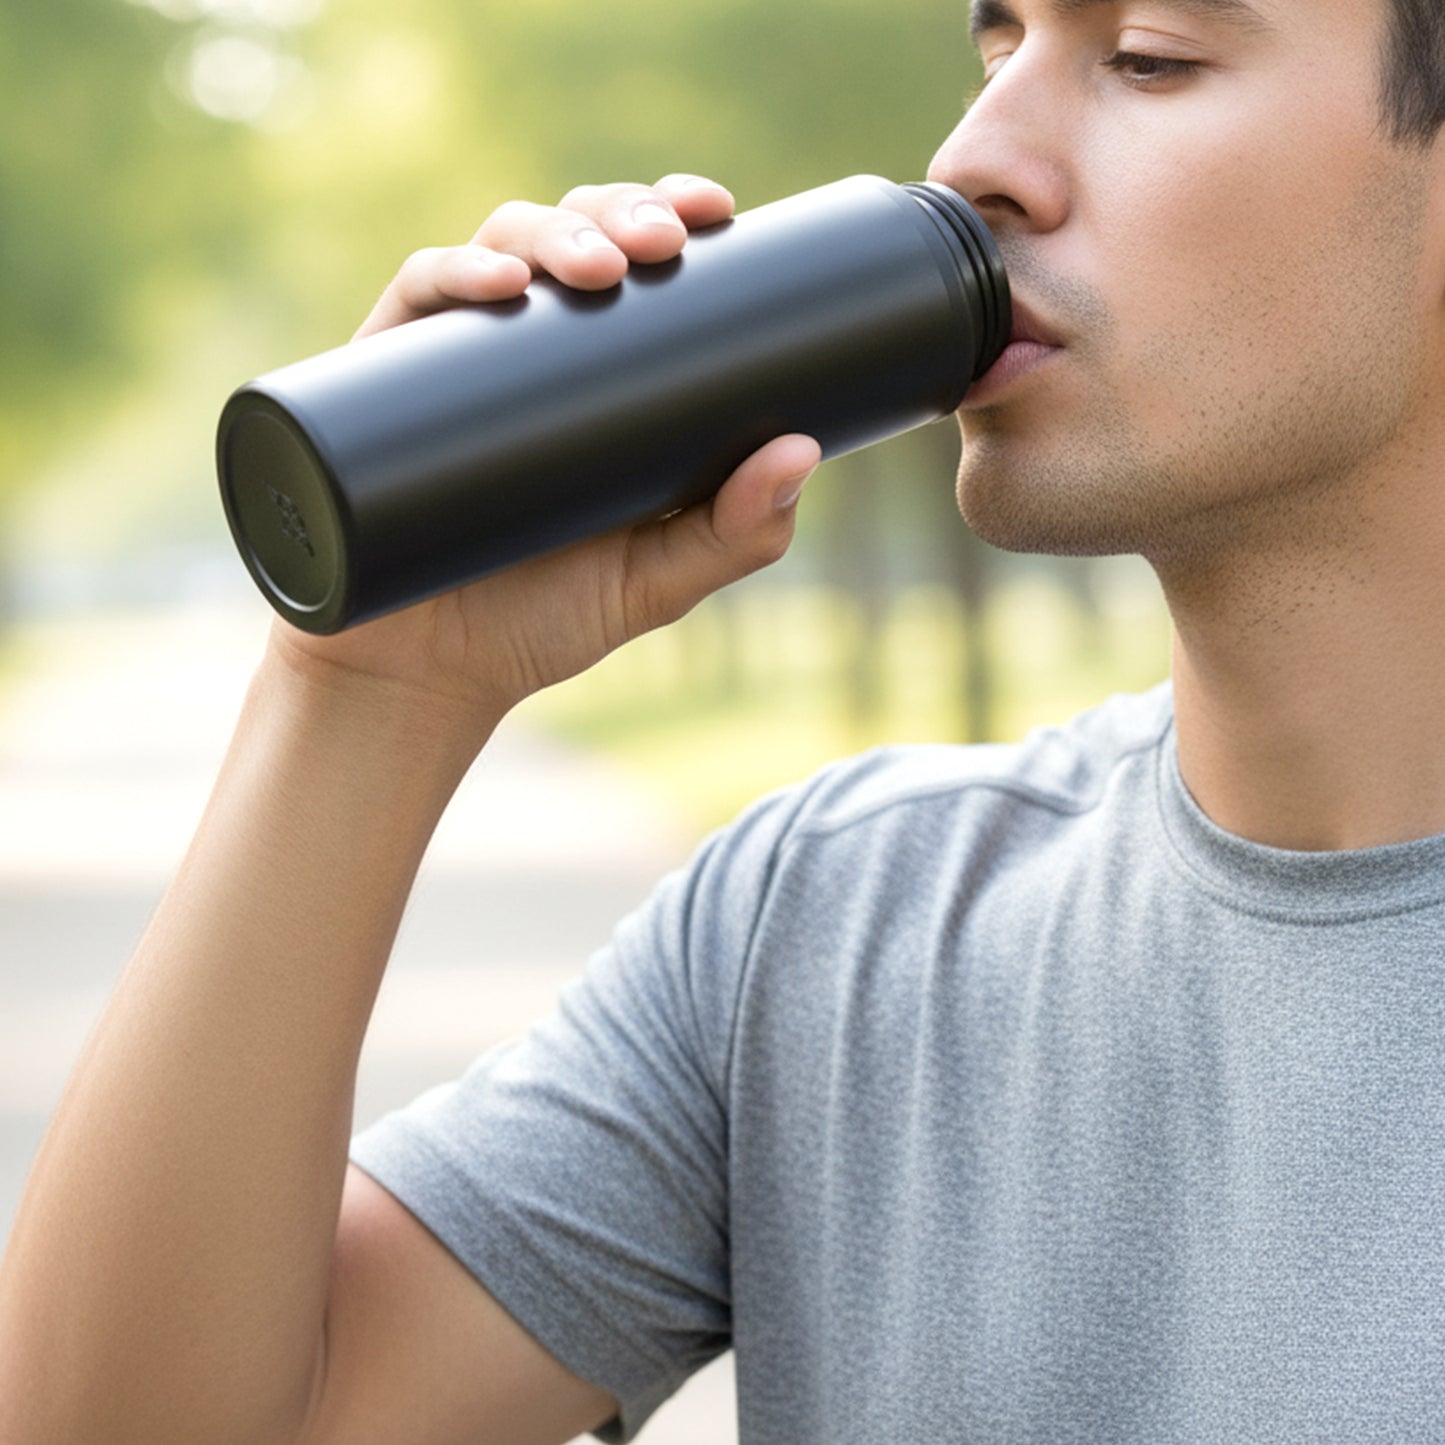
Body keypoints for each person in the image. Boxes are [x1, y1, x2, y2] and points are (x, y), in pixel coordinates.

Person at [3, 0, 1444, 1439]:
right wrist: (365, 695)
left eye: (1147, 57)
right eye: (994, 50)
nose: (970, 156)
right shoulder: (826, 928)